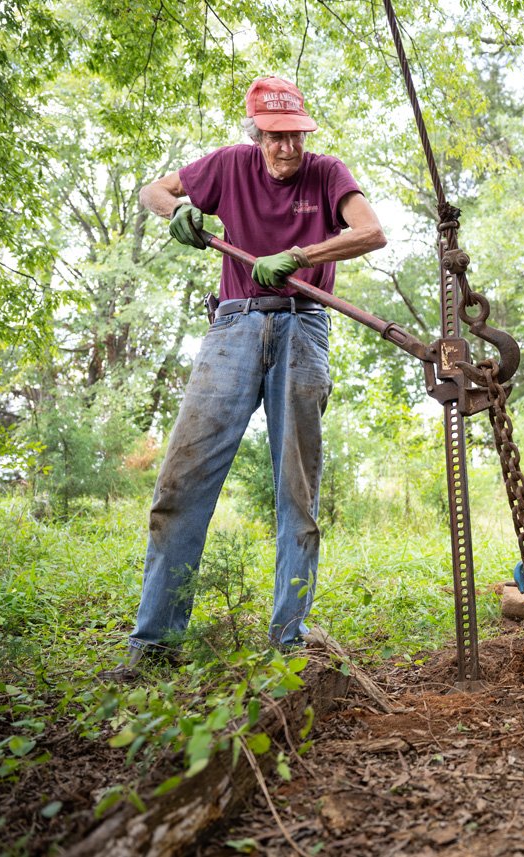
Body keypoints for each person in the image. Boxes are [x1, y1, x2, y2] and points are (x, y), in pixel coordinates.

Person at [100, 76, 386, 680]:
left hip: (304, 328)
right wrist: (178, 209)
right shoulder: (228, 166)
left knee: (296, 491)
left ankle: (289, 641)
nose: (288, 148)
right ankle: (154, 646)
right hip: (232, 328)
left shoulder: (328, 172)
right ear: (255, 134)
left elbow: (371, 231)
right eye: (276, 137)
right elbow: (155, 189)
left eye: (297, 136)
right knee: (182, 482)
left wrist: (302, 256)